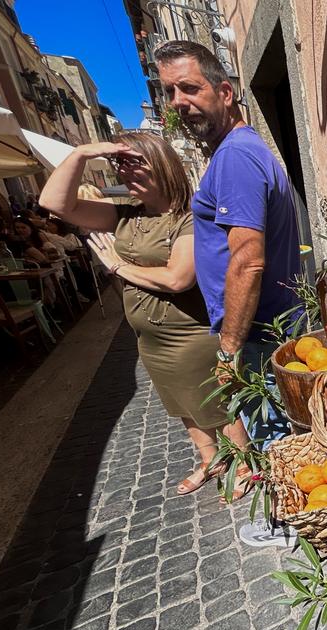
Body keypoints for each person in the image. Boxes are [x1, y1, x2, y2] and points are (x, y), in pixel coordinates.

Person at [39, 130, 253, 497]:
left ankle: (245, 465)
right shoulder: (125, 217)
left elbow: (177, 278)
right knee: (181, 404)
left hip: (189, 335)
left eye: (134, 164)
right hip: (150, 339)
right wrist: (82, 153)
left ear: (162, 165)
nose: (125, 173)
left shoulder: (189, 217)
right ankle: (210, 460)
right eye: (119, 164)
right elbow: (55, 203)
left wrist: (117, 266)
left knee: (218, 404)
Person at [156, 40, 301, 544]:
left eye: (189, 87)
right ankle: (296, 511)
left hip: (258, 331)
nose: (178, 101)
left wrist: (229, 349)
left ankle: (291, 521)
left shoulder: (235, 159)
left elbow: (247, 259)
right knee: (276, 429)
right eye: (169, 91)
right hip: (268, 325)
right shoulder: (240, 152)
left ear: (226, 91)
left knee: (272, 432)